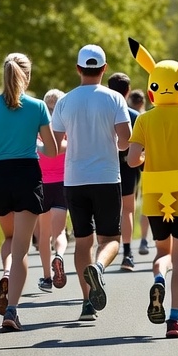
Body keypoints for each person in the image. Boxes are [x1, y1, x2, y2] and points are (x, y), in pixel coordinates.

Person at [127, 37, 178, 339]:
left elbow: (132, 157)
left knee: (162, 251)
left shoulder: (145, 120)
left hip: (153, 191)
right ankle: (174, 320)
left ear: (151, 89)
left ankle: (158, 277)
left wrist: (149, 158)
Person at [0, 53, 57, 332]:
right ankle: (11, 310)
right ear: (28, 76)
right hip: (27, 175)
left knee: (9, 237)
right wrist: (33, 144)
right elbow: (52, 150)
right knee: (22, 246)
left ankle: (6, 272)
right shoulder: (38, 106)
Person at [50, 45, 132, 322]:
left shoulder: (65, 101)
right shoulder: (115, 99)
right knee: (110, 240)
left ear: (78, 68)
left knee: (82, 241)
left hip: (74, 180)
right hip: (107, 177)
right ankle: (99, 266)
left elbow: (56, 143)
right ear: (104, 69)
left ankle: (87, 303)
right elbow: (125, 141)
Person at [35, 89, 69, 292]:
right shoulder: (67, 130)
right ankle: (60, 256)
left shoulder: (39, 130)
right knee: (60, 232)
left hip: (42, 185)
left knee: (43, 235)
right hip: (63, 184)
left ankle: (47, 277)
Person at [107, 72, 141, 271]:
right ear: (127, 91)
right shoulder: (135, 116)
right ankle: (127, 253)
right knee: (128, 209)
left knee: (106, 209)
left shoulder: (102, 112)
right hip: (128, 165)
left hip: (105, 165)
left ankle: (105, 249)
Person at [127, 88, 151, 255]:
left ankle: (128, 242)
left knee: (129, 204)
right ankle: (143, 239)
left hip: (130, 162)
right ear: (143, 102)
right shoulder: (147, 118)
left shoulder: (128, 116)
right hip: (147, 162)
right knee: (147, 201)